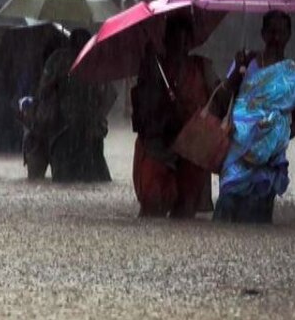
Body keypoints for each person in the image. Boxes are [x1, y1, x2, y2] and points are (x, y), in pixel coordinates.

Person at [213, 10, 295, 223]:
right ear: (263, 33)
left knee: (257, 219)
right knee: (226, 207)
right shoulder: (246, 62)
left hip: (268, 164)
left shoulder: (293, 75)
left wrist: (273, 140)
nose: (276, 38)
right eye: (272, 32)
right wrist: (235, 72)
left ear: (289, 35)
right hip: (237, 154)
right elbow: (223, 97)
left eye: (281, 32)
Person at [131, 16, 221, 218]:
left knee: (186, 211)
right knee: (152, 206)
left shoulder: (201, 68)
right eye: (174, 40)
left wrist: (237, 76)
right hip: (158, 149)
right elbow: (143, 112)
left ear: (190, 42)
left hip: (192, 151)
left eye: (184, 41)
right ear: (165, 40)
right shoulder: (153, 67)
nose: (180, 47)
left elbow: (219, 99)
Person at [28, 29, 116, 183]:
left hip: (64, 134)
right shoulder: (95, 60)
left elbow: (43, 91)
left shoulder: (58, 60)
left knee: (65, 180)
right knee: (95, 180)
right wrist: (97, 114)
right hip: (91, 134)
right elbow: (110, 94)